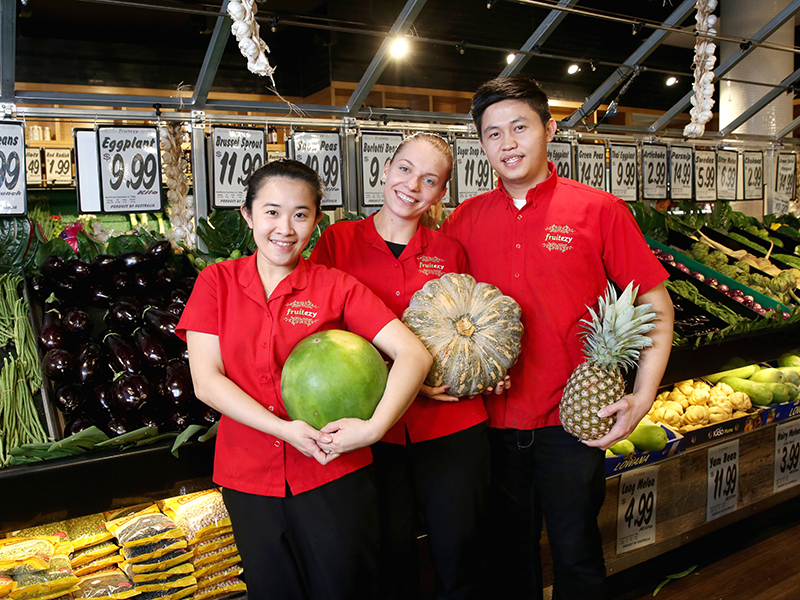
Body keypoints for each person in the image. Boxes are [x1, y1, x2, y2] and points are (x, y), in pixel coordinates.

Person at [438, 76, 674, 600]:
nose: (508, 143)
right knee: (507, 559)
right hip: (489, 424)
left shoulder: (599, 210)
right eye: (493, 133)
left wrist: (643, 397)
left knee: (577, 554)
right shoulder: (464, 220)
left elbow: (657, 307)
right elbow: (443, 314)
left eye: (520, 127)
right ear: (482, 144)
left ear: (549, 129)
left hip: (573, 421)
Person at [175, 159, 432, 600]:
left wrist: (374, 428)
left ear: (316, 221)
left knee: (345, 590)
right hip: (249, 478)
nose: (285, 228)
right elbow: (206, 381)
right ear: (248, 214)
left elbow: (414, 354)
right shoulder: (216, 282)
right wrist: (283, 429)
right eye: (271, 212)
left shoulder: (336, 286)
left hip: (333, 473)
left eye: (300, 214)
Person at [311, 132, 494, 600]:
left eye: (429, 180)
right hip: (373, 429)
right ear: (386, 169)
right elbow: (322, 331)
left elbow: (470, 323)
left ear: (441, 192)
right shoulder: (337, 241)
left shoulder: (450, 250)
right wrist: (404, 376)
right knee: (390, 559)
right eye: (405, 169)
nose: (412, 185)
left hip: (451, 425)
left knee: (461, 554)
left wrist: (470, 368)